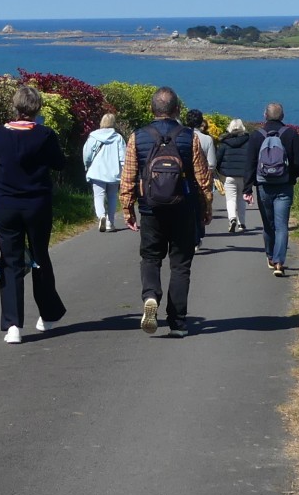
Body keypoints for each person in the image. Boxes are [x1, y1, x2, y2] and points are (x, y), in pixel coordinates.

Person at [120, 87, 213, 337]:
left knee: (151, 257)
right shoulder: (189, 136)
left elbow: (128, 176)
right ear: (177, 110)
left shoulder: (137, 137)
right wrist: (206, 207)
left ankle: (150, 296)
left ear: (152, 110)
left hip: (151, 209)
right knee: (180, 264)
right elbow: (203, 177)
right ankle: (178, 322)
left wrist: (127, 208)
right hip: (184, 208)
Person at [0, 82, 68, 343]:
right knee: (40, 256)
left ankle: (13, 325)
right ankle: (48, 315)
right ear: (37, 107)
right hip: (38, 205)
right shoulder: (45, 135)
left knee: (11, 262)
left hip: (7, 205)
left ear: (15, 106)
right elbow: (60, 163)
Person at [244, 101, 299, 277]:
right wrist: (292, 177)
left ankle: (271, 256)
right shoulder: (291, 134)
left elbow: (249, 163)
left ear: (265, 115)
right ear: (282, 116)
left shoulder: (257, 135)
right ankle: (280, 262)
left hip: (264, 185)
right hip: (284, 186)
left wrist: (247, 188)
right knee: (282, 226)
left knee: (268, 225)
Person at [81, 111, 126, 231]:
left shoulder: (93, 136)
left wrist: (87, 165)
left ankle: (101, 216)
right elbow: (123, 158)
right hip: (114, 173)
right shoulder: (118, 138)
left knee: (98, 196)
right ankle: (110, 223)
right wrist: (124, 172)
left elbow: (87, 154)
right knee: (112, 197)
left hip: (97, 171)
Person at [213, 118, 255, 234]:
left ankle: (232, 218)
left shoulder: (224, 143)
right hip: (244, 175)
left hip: (228, 176)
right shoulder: (249, 141)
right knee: (241, 199)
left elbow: (217, 159)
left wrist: (219, 171)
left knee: (230, 199)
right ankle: (242, 223)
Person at [183, 109, 217, 242]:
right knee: (200, 206)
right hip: (201, 178)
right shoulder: (207, 139)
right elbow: (212, 164)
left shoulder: (182, 136)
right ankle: (197, 235)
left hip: (184, 177)